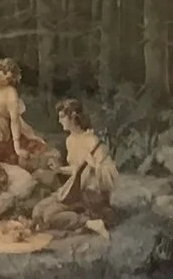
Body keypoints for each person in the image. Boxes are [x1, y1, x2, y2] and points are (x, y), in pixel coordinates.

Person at [29, 99, 118, 238]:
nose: (59, 121)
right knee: (38, 210)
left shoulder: (92, 141)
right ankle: (76, 221)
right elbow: (76, 169)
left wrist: (93, 167)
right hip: (74, 190)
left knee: (49, 216)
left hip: (90, 194)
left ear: (74, 116)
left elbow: (106, 175)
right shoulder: (70, 140)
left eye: (62, 117)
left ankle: (90, 223)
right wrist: (59, 169)